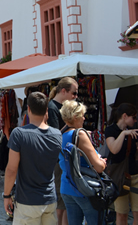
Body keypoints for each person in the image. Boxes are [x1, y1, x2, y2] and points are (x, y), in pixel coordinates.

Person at [3, 92, 62, 224]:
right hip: (49, 199)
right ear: (46, 110)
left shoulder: (19, 134)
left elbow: (12, 169)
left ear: (28, 109)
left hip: (27, 201)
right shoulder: (57, 134)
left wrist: (6, 195)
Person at [59, 100, 106, 225]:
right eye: (82, 115)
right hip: (83, 187)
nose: (84, 118)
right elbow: (99, 167)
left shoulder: (61, 134)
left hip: (67, 186)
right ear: (75, 117)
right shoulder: (80, 134)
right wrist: (102, 162)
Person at [47, 77, 78, 225]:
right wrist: (71, 126)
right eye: (74, 93)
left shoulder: (58, 106)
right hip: (58, 159)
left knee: (65, 200)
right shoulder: (52, 107)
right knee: (61, 199)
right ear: (64, 91)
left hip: (64, 157)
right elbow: (54, 136)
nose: (75, 96)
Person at [105, 103, 138, 225]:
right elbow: (114, 149)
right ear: (124, 116)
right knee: (121, 214)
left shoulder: (134, 132)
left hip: (135, 175)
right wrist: (124, 133)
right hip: (119, 178)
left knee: (137, 213)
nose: (135, 120)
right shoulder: (111, 130)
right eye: (133, 117)